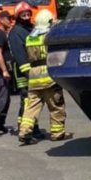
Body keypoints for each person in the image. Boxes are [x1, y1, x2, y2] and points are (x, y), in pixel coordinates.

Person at [18, 9, 73, 145]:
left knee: (31, 107)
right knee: (56, 105)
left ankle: (24, 132)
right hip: (48, 75)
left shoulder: (30, 37)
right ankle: (57, 133)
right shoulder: (49, 36)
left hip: (34, 76)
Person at [9, 1, 44, 138]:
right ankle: (27, 128)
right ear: (18, 16)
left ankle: (26, 126)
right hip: (23, 71)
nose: (26, 15)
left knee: (33, 100)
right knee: (27, 100)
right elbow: (19, 55)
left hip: (33, 69)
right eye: (23, 13)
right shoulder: (16, 32)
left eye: (28, 13)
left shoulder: (31, 29)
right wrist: (28, 73)